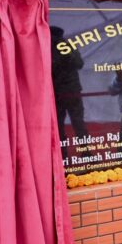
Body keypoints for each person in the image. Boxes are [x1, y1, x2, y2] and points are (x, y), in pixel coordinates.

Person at [51, 26, 89, 155]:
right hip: (59, 93)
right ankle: (63, 155)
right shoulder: (51, 48)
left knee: (78, 124)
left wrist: (67, 55)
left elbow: (79, 63)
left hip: (71, 92)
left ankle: (85, 153)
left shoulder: (67, 47)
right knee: (60, 127)